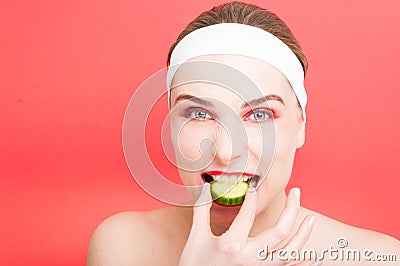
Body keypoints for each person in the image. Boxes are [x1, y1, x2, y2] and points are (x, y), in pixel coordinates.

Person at [87, 2, 400, 265]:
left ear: (301, 126)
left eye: (260, 114)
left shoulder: (374, 258)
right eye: (198, 114)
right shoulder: (123, 247)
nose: (225, 150)